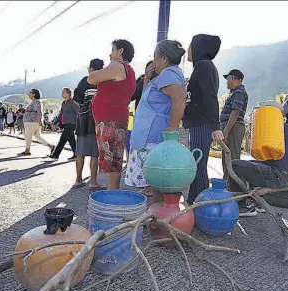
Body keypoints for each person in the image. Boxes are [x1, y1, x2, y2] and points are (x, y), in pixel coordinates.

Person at [125, 39, 187, 201]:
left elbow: (180, 97)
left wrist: (172, 126)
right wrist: (146, 78)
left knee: (158, 182)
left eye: (155, 57)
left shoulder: (168, 73)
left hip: (153, 137)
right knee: (156, 186)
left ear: (164, 59)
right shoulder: (165, 75)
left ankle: (159, 220)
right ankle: (157, 218)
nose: (153, 61)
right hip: (149, 135)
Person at [230, 101, 288, 214]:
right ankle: (257, 201)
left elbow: (261, 154)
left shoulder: (274, 127)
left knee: (235, 164)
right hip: (286, 175)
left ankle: (244, 206)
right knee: (251, 165)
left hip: (278, 175)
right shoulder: (286, 128)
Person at [182, 34, 224, 204]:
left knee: (198, 164)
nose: (188, 50)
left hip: (202, 124)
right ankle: (195, 201)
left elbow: (210, 97)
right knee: (197, 163)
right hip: (198, 123)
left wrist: (216, 126)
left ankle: (197, 204)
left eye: (191, 46)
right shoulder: (203, 66)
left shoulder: (203, 66)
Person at [89, 39, 136, 190]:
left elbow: (91, 78)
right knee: (115, 159)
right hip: (117, 117)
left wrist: (111, 63)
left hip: (110, 119)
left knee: (111, 159)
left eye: (113, 50)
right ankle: (112, 190)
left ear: (120, 51)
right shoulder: (129, 69)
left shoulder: (117, 66)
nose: (110, 54)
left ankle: (112, 192)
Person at [73, 58, 104, 189]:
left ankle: (78, 180)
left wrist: (86, 107)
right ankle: (93, 181)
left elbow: (76, 99)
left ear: (91, 69)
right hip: (98, 119)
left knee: (80, 151)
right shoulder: (104, 81)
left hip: (83, 119)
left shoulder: (85, 80)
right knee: (94, 153)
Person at [220, 69, 248, 186]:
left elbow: (235, 113)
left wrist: (226, 132)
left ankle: (234, 187)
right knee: (227, 158)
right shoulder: (234, 92)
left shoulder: (239, 92)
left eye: (228, 78)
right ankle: (226, 184)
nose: (226, 81)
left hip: (233, 128)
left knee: (232, 159)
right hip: (230, 128)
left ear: (235, 78)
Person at [17, 89, 54, 156]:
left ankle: (27, 150)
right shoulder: (34, 102)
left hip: (32, 122)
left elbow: (40, 112)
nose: (29, 93)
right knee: (37, 136)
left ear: (34, 94)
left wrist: (40, 121)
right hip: (32, 121)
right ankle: (51, 147)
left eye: (30, 92)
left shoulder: (37, 102)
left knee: (28, 135)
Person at [49, 87, 78, 160]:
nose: (62, 94)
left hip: (72, 123)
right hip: (66, 123)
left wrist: (79, 123)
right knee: (71, 140)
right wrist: (54, 123)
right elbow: (61, 114)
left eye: (63, 92)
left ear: (68, 93)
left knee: (63, 139)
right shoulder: (63, 103)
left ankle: (55, 154)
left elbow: (78, 112)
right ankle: (76, 154)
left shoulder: (72, 102)